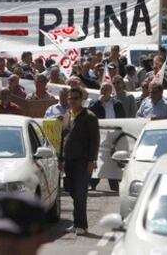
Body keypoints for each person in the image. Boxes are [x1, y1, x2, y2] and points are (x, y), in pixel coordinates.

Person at [60, 87, 100, 235]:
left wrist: (92, 161)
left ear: (81, 99)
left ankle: (82, 225)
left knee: (80, 193)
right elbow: (62, 138)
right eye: (70, 98)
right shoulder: (66, 115)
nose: (72, 101)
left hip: (83, 161)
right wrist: (60, 159)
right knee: (72, 191)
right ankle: (76, 222)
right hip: (68, 161)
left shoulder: (89, 116)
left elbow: (94, 140)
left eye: (76, 98)